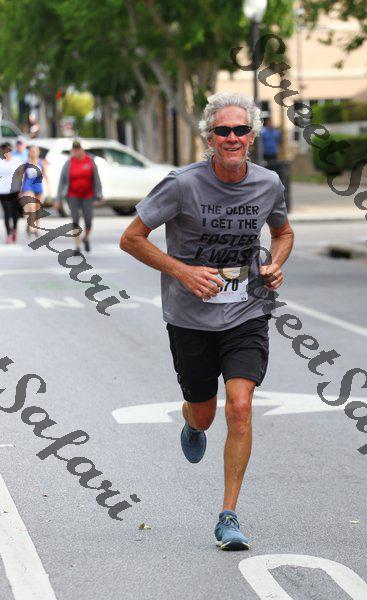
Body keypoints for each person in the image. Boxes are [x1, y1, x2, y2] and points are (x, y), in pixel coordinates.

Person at [120, 92, 294, 551]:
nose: (232, 137)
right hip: (190, 317)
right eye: (223, 131)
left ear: (252, 137)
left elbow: (283, 232)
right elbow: (131, 238)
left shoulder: (269, 183)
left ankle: (228, 515)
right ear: (210, 138)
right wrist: (183, 271)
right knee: (204, 410)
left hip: (247, 311)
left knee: (240, 406)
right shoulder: (182, 184)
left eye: (240, 130)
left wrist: (274, 263)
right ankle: (192, 423)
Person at [55, 140, 102, 255]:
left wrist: (99, 194)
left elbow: (96, 179)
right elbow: (62, 182)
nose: (76, 152)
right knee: (75, 219)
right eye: (74, 149)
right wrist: (58, 199)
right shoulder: (69, 163)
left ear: (82, 149)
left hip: (88, 195)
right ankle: (77, 246)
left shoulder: (90, 161)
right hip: (73, 195)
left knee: (88, 220)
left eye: (78, 149)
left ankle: (86, 238)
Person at [21, 145, 51, 237]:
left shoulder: (41, 163)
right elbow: (22, 177)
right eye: (32, 151)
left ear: (38, 152)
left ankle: (36, 227)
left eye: (35, 151)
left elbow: (46, 176)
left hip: (38, 187)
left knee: (37, 210)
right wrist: (20, 189)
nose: (33, 153)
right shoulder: (26, 164)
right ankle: (31, 227)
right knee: (31, 206)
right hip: (28, 187)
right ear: (29, 153)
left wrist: (49, 189)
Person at [0, 142, 24, 243]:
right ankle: (8, 233)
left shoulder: (16, 160)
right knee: (6, 212)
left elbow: (21, 175)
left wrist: (21, 189)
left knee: (15, 212)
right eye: (3, 150)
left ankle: (14, 229)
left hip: (14, 190)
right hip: (2, 191)